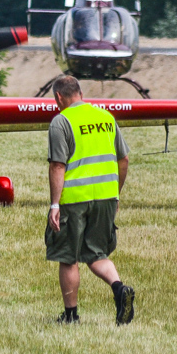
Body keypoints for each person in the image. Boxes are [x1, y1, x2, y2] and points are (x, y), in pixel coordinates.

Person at [45, 74, 134, 325]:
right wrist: (116, 193)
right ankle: (119, 289)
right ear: (80, 93)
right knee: (97, 254)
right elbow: (124, 159)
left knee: (68, 257)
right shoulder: (106, 117)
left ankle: (71, 315)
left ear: (58, 97)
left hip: (74, 199)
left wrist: (54, 204)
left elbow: (58, 166)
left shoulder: (61, 121)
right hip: (106, 196)